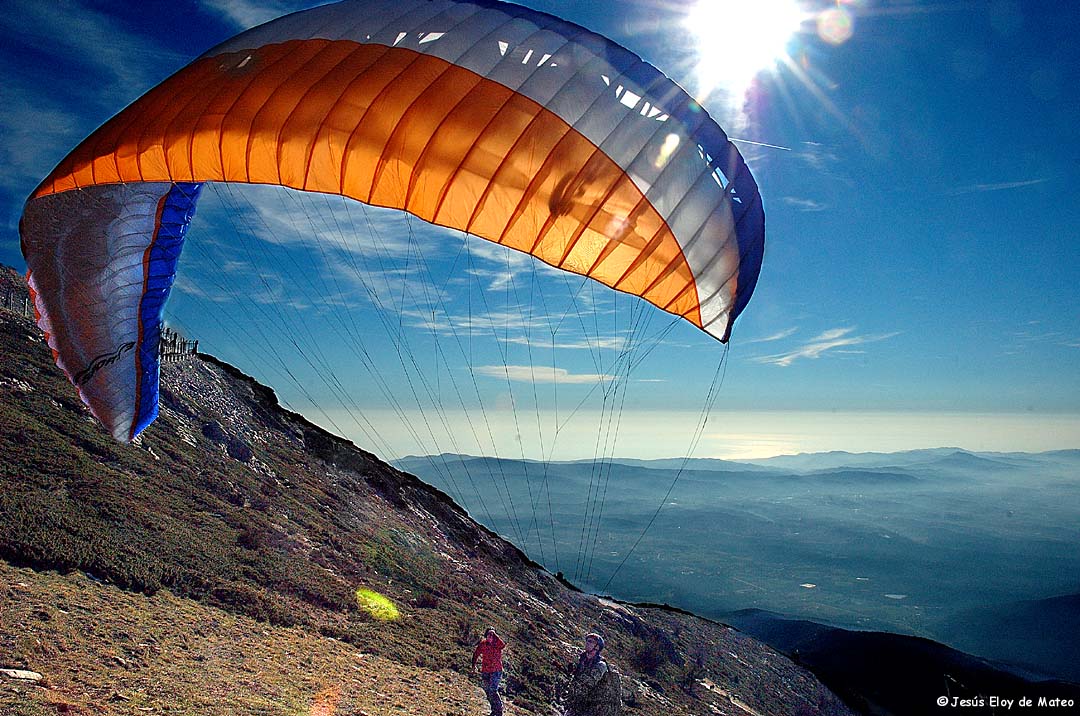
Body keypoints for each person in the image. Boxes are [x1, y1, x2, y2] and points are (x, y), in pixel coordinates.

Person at [563, 633, 621, 716]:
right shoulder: (582, 660)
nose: (587, 643)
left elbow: (589, 682)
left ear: (597, 647)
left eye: (591, 642)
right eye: (587, 641)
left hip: (596, 708)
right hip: (580, 705)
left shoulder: (601, 665)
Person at [472, 627, 506, 716]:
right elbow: (476, 654)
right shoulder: (483, 644)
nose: (491, 636)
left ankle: (499, 710)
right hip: (486, 671)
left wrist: (495, 635)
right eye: (489, 635)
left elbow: (503, 645)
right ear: (485, 636)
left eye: (492, 635)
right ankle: (494, 710)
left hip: (496, 670)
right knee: (487, 691)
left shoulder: (497, 644)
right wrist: (473, 666)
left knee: (493, 690)